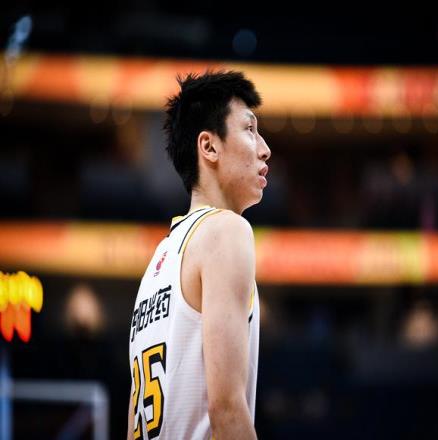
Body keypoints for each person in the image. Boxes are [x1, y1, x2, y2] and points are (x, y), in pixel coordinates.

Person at [127, 71, 271, 439]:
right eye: (250, 129)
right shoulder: (227, 231)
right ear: (208, 147)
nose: (264, 149)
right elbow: (226, 409)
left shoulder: (160, 259)